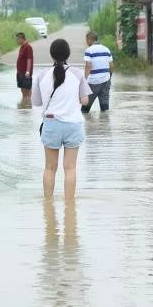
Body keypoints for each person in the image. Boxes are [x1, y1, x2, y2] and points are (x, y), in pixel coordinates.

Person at [32, 38, 92, 198]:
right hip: (73, 124)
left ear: (51, 55)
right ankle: (69, 206)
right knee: (70, 168)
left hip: (51, 124)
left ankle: (48, 205)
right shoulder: (77, 73)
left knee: (50, 168)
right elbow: (86, 100)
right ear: (68, 54)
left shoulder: (42, 75)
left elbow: (36, 102)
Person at [81, 31, 114, 114]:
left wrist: (85, 80)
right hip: (106, 80)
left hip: (93, 82)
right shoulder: (106, 49)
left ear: (89, 39)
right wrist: (109, 77)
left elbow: (88, 66)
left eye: (86, 40)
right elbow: (111, 66)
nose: (86, 42)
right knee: (105, 109)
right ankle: (105, 125)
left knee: (84, 110)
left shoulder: (89, 50)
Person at [15, 32, 33, 105]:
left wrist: (28, 71)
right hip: (20, 72)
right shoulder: (22, 47)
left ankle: (27, 106)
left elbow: (29, 59)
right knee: (23, 90)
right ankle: (24, 104)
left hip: (25, 73)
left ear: (21, 38)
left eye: (17, 39)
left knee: (26, 91)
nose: (16, 41)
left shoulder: (28, 47)